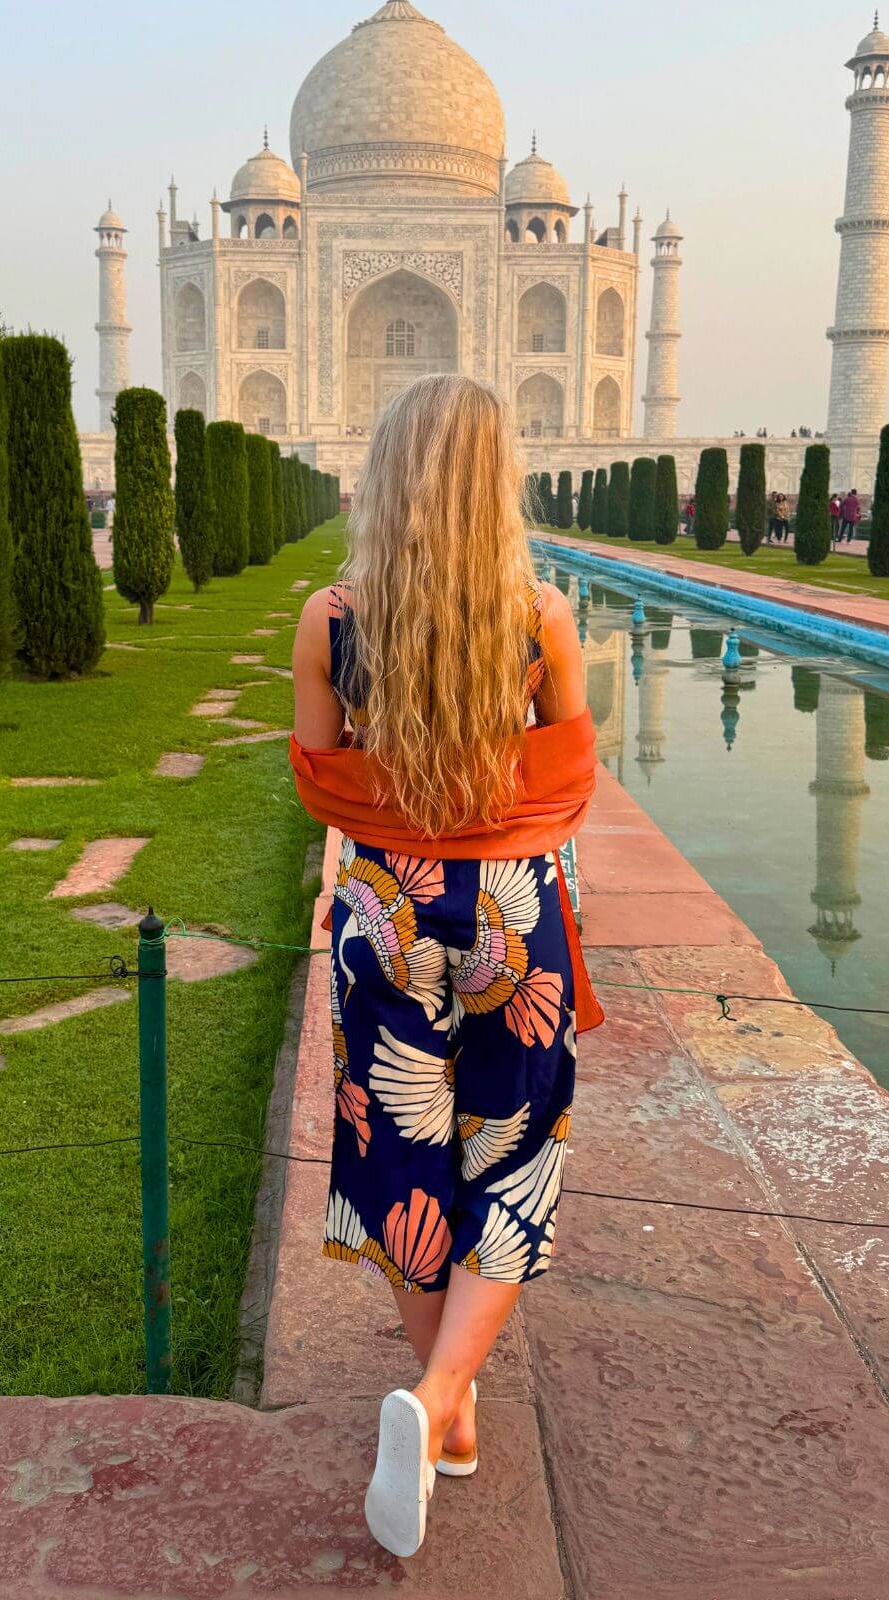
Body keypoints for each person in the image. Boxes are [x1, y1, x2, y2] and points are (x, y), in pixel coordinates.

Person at [290, 374, 600, 1559]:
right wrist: (487, 815)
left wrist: (404, 813)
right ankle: (437, 1406)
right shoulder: (539, 619)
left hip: (383, 911)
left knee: (399, 1154)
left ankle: (442, 1408)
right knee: (507, 1159)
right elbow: (568, 785)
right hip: (513, 912)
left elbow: (322, 779)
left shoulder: (332, 618)